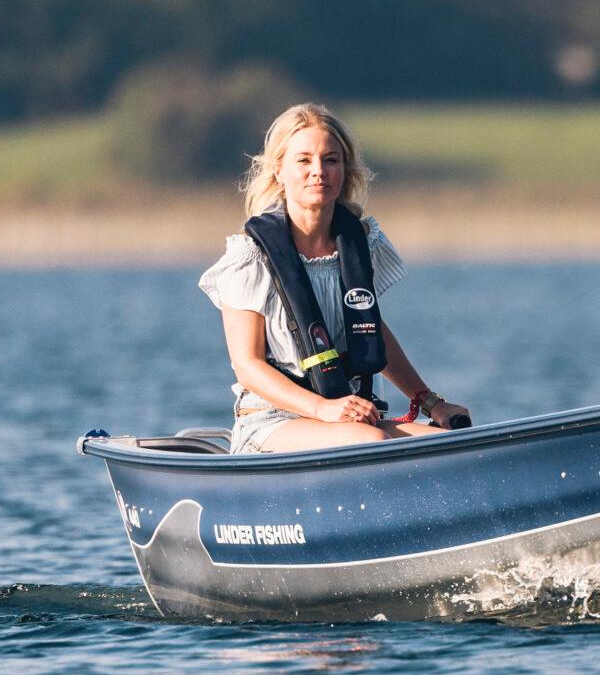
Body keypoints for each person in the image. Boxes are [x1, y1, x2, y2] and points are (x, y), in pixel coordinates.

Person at [197, 102, 471, 453]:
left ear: (344, 170)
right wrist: (322, 409)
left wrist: (431, 403)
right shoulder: (248, 256)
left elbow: (372, 334)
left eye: (330, 160)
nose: (319, 171)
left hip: (346, 418)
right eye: (304, 160)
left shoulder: (361, 244)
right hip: (272, 421)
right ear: (278, 170)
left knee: (454, 444)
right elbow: (247, 365)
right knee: (368, 440)